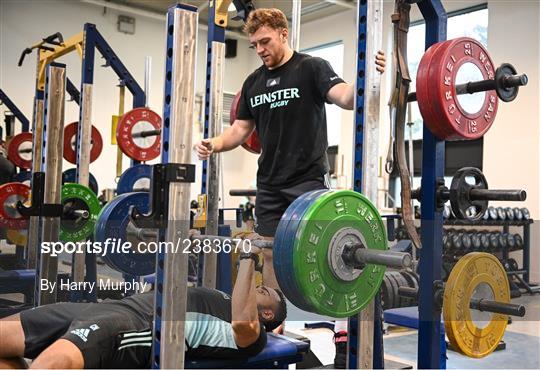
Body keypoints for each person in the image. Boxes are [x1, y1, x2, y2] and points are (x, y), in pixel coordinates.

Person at [195, 8, 386, 290]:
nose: (260, 49)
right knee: (270, 253)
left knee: (316, 250)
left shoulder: (311, 68)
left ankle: (322, 309)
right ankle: (277, 315)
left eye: (265, 41)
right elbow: (239, 130)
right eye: (255, 45)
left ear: (283, 34)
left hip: (307, 179)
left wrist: (368, 74)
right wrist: (214, 144)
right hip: (270, 182)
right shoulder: (253, 83)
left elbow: (346, 97)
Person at [0, 246, 286, 369]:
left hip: (136, 326)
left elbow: (244, 324)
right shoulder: (229, 298)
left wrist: (249, 257)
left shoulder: (254, 334)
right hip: (107, 307)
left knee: (53, 363)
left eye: (263, 291)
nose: (257, 287)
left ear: (268, 315)